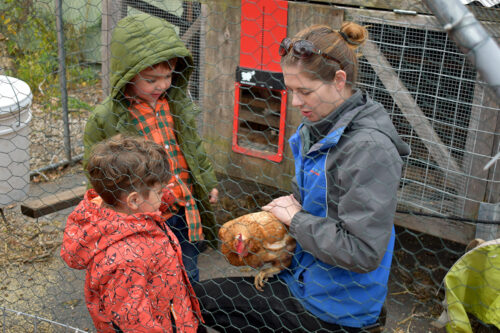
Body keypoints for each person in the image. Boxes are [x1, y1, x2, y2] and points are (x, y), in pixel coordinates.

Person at [193, 22, 411, 332]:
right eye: (291, 89)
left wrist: (294, 219)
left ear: (338, 81)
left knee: (196, 301)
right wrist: (267, 232)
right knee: (198, 301)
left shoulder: (369, 149)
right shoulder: (316, 129)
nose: (295, 102)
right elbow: (309, 205)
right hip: (301, 280)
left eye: (304, 91)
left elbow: (363, 252)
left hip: (334, 308)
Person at [83, 13, 219, 282]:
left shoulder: (175, 104)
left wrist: (208, 180)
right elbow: (96, 171)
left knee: (187, 271)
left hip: (183, 208)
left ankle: (185, 317)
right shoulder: (106, 118)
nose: (162, 85)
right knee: (149, 273)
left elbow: (194, 149)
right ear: (128, 75)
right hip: (144, 215)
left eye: (168, 76)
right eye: (151, 79)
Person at [61, 135, 205, 332]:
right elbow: (134, 323)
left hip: (169, 306)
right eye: (159, 191)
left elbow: (141, 210)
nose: (163, 194)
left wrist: (161, 197)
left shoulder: (112, 213)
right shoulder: (126, 261)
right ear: (134, 200)